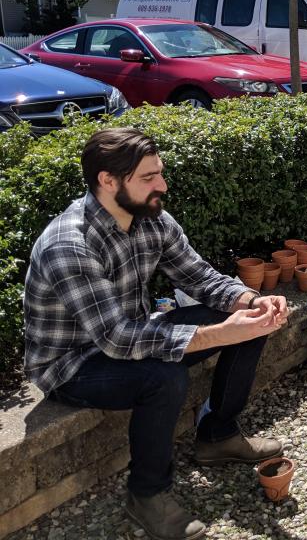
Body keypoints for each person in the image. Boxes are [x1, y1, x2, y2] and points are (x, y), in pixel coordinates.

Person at [23, 128, 290, 540]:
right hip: (73, 364)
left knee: (250, 326)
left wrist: (249, 301)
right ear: (107, 181)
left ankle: (218, 436)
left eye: (159, 173)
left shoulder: (152, 219)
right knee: (163, 376)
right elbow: (115, 338)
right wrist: (217, 333)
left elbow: (200, 277)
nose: (162, 186)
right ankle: (147, 494)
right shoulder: (69, 243)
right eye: (148, 177)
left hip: (132, 335)